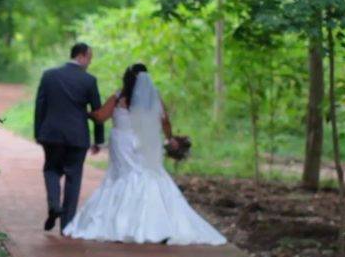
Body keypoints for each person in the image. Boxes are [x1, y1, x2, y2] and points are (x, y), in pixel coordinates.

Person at [62, 63, 226, 246]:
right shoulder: (153, 97)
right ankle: (155, 224)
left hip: (121, 144)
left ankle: (120, 224)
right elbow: (164, 121)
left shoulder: (118, 98)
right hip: (143, 142)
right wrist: (170, 138)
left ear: (127, 78)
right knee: (146, 176)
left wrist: (84, 113)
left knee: (122, 178)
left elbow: (100, 117)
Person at [34, 42, 106, 233]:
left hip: (52, 135)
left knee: (51, 170)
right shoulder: (89, 80)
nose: (89, 63)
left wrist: (38, 133)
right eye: (89, 58)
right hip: (78, 137)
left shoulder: (49, 76)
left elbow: (40, 106)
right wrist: (98, 139)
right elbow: (97, 112)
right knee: (74, 178)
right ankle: (67, 226)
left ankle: (54, 204)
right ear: (81, 56)